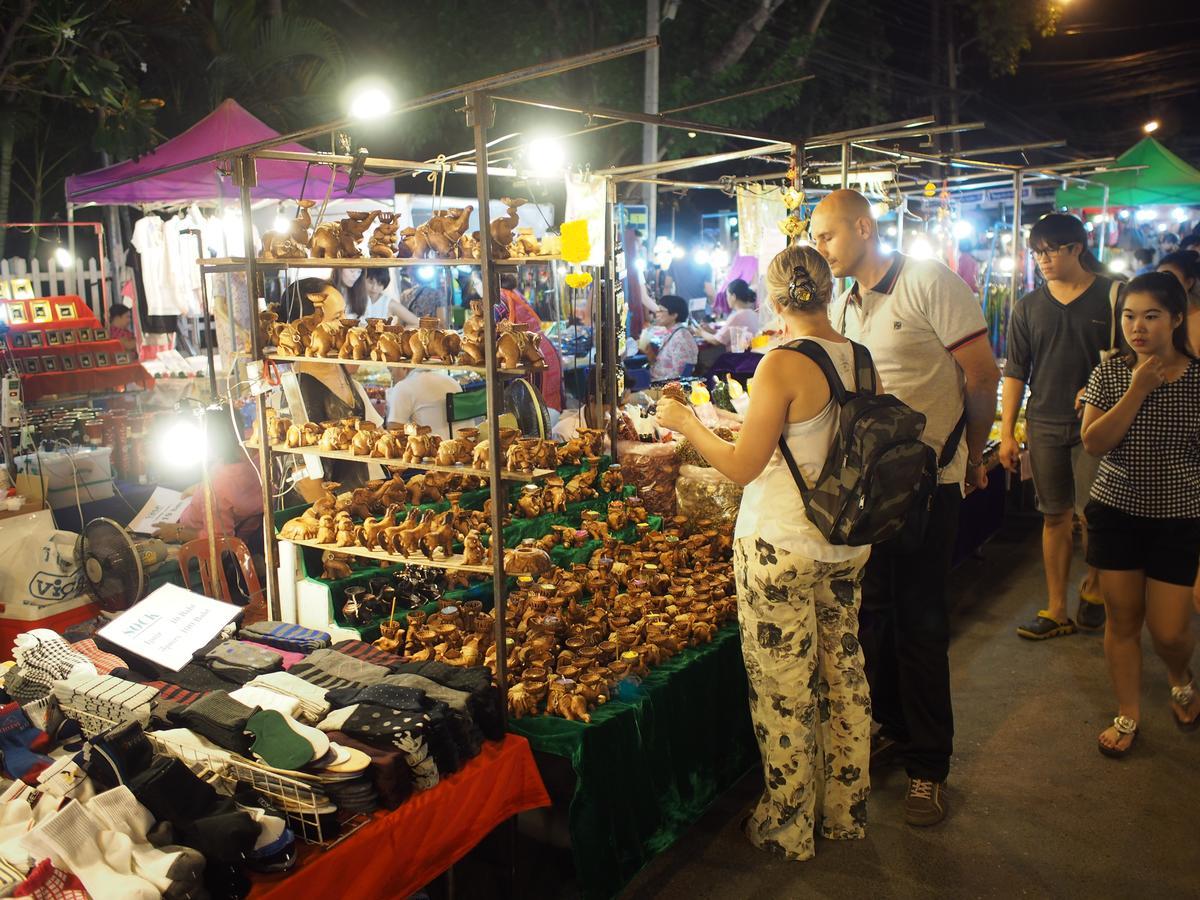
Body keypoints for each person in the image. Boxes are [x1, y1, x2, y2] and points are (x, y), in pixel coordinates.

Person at [654, 245, 872, 861]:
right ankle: (845, 811)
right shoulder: (857, 356)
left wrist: (688, 420)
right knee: (844, 674)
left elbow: (743, 467)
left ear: (775, 301)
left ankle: (787, 827)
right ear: (828, 291)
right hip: (846, 543)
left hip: (781, 544)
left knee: (784, 688)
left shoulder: (780, 363)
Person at [811, 189, 1000, 827]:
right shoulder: (845, 301)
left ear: (864, 227)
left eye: (827, 235)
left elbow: (982, 374)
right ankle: (889, 726)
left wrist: (973, 454)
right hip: (869, 496)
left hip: (929, 487)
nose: (820, 248)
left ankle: (929, 767)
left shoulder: (928, 281)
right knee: (877, 617)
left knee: (921, 626)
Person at [1080, 271, 1200, 755]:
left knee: (1170, 629)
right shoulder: (1109, 373)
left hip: (1180, 516)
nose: (1139, 327)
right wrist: (1137, 389)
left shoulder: (1196, 379)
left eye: (1151, 316)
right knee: (1123, 621)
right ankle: (1128, 712)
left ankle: (1179, 671)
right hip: (1117, 512)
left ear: (1176, 318)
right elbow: (1093, 442)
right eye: (1129, 316)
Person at [1000, 214, 1114, 639]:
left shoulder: (1111, 296)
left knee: (1095, 515)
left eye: (1050, 250)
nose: (1042, 259)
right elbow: (1015, 371)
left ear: (1077, 248)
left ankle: (1096, 586)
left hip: (1096, 425)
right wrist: (1009, 431)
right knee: (1054, 516)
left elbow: (1127, 357)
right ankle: (1056, 608)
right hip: (1044, 422)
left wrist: (1100, 387)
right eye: (1036, 253)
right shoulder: (1028, 307)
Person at [499, 273, 563, 410]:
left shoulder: (500, 299)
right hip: (543, 348)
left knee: (534, 413)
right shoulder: (513, 293)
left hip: (530, 352)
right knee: (547, 410)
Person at [385, 368, 462, 435]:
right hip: (465, 446)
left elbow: (394, 431)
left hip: (436, 448)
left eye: (391, 370)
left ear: (404, 367)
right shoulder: (451, 380)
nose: (392, 377)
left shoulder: (403, 386)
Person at [640, 294, 697, 382]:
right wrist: (651, 357)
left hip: (664, 386)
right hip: (656, 380)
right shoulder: (673, 332)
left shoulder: (681, 338)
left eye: (661, 311)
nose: (657, 314)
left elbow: (678, 375)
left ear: (674, 315)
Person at [1155, 249, 1200, 355]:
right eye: (1158, 278)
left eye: (1169, 278)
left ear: (1189, 282)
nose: (1161, 284)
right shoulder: (1155, 316)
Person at [697, 279, 760, 351]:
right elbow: (728, 335)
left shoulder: (737, 316)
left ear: (733, 296)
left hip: (740, 358)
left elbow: (716, 341)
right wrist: (711, 330)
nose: (726, 299)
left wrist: (701, 332)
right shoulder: (753, 313)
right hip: (753, 357)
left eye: (727, 295)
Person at [664, 238, 715, 312]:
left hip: (681, 307)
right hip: (699, 308)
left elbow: (667, 286)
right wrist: (714, 304)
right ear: (697, 247)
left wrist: (666, 307)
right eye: (710, 249)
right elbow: (709, 291)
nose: (710, 252)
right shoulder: (705, 265)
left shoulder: (675, 262)